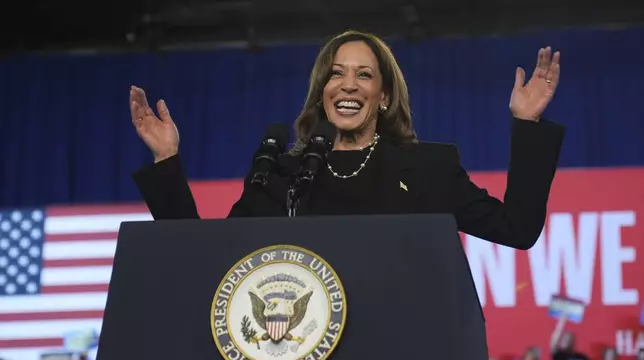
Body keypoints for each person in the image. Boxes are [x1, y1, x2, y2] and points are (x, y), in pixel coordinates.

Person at [130, 30, 564, 250]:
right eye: (336, 74)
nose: (348, 85)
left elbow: (518, 229)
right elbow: (208, 262)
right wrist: (167, 159)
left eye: (364, 75)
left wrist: (527, 126)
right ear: (322, 91)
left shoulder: (429, 170)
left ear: (384, 96)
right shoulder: (280, 176)